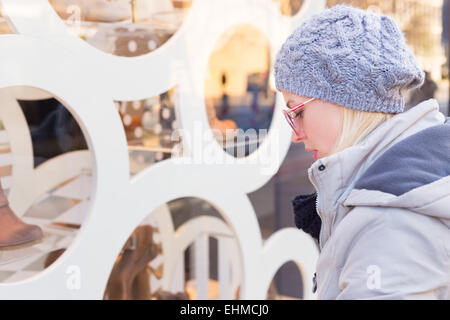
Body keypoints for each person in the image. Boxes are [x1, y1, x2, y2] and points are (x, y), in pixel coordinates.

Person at [274, 5, 450, 299]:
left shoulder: (389, 224)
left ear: (343, 99)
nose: (295, 134)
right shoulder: (399, 187)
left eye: (297, 112)